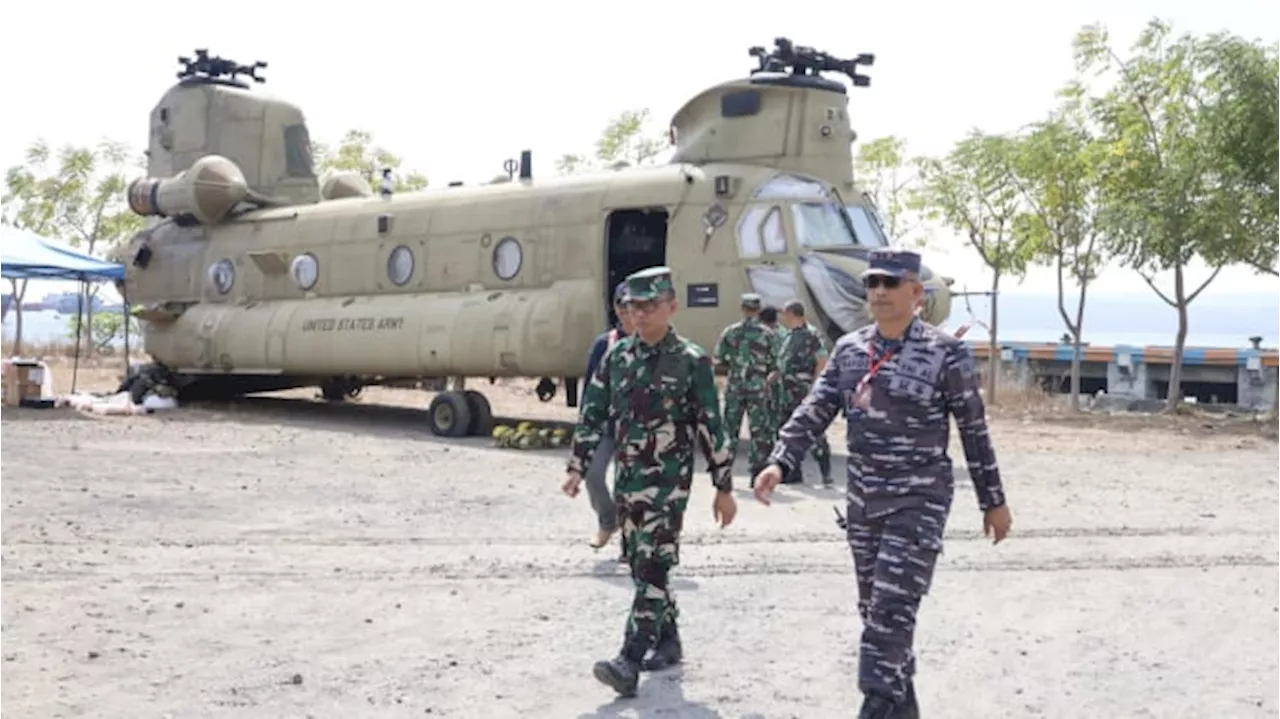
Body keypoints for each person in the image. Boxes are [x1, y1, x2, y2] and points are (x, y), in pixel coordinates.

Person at [751, 249, 1013, 719]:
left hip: (919, 501)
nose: (879, 292)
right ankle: (901, 706)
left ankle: (874, 702)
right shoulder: (850, 350)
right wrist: (780, 459)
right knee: (876, 610)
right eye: (873, 283)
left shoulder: (945, 353)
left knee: (892, 609)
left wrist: (992, 501)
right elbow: (816, 407)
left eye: (891, 284)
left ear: (916, 293)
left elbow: (974, 430)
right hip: (864, 501)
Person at [563, 266, 738, 698]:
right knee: (642, 566)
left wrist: (724, 485)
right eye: (632, 306)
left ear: (671, 307)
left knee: (655, 566)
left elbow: (710, 424)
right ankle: (669, 641)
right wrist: (577, 466)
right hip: (628, 481)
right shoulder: (617, 358)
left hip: (668, 484)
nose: (639, 314)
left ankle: (629, 658)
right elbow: (593, 413)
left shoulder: (692, 360)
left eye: (649, 305)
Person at [580, 283, 635, 560]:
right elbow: (590, 390)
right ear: (615, 308)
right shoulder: (605, 344)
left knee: (629, 487)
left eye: (632, 306)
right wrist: (584, 431)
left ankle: (630, 545)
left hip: (638, 430)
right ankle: (607, 520)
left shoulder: (653, 342)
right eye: (622, 306)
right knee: (593, 475)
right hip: (607, 427)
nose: (627, 312)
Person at [713, 293, 780, 482]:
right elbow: (776, 365)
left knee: (730, 431)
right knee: (759, 433)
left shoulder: (730, 332)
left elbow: (718, 359)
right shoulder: (767, 334)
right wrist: (766, 379)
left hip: (735, 387)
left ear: (742, 309)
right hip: (758, 388)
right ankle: (756, 474)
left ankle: (725, 473)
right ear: (758, 310)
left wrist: (734, 369)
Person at [777, 300, 834, 486]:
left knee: (813, 431)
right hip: (786, 391)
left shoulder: (811, 335)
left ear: (792, 313)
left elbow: (822, 360)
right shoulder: (788, 335)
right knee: (789, 431)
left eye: (785, 313)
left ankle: (826, 473)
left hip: (803, 389)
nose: (783, 317)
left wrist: (816, 386)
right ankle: (793, 473)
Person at [757, 304, 787, 444]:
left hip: (769, 379)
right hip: (785, 380)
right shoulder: (784, 333)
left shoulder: (764, 334)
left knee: (768, 414)